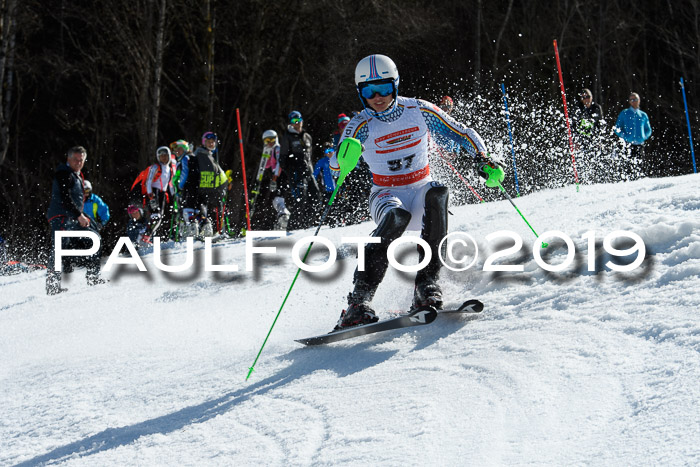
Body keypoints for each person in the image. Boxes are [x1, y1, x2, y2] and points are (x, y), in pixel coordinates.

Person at [330, 54, 500, 330]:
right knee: (397, 217)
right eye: (368, 91)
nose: (377, 97)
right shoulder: (360, 124)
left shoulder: (418, 110)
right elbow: (336, 164)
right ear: (360, 93)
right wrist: (342, 161)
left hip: (420, 187)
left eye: (383, 88)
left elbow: (460, 132)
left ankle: (426, 285)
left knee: (439, 193)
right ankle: (358, 302)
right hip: (385, 192)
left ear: (395, 85)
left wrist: (484, 158)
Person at [45, 146, 105, 295]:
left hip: (72, 216)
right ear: (68, 159)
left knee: (94, 237)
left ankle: (93, 276)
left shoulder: (75, 174)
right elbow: (66, 198)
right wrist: (79, 215)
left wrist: (84, 216)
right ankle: (53, 285)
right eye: (75, 159)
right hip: (61, 217)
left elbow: (76, 200)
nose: (79, 162)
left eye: (81, 160)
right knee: (59, 247)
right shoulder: (64, 173)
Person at [178, 131, 228, 237]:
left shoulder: (210, 156)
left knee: (202, 210)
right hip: (196, 188)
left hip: (206, 190)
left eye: (212, 142)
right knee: (193, 209)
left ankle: (204, 229)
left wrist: (223, 184)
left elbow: (218, 174)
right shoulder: (199, 155)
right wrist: (181, 186)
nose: (211, 144)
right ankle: (194, 229)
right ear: (203, 142)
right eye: (208, 141)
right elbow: (188, 171)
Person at [278, 111, 321, 229]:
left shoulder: (307, 136)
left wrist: (309, 168)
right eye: (294, 121)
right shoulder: (288, 137)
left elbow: (309, 155)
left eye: (299, 120)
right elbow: (282, 158)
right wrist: (291, 170)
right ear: (291, 123)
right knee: (300, 199)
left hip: (308, 171)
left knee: (316, 197)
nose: (297, 123)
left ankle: (307, 223)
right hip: (296, 172)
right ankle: (293, 226)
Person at [614, 92, 652, 177]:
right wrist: (624, 136)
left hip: (640, 144)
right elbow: (617, 128)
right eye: (631, 99)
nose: (633, 101)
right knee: (628, 167)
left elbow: (648, 130)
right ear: (629, 101)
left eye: (635, 99)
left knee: (640, 166)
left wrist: (643, 137)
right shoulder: (624, 113)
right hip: (628, 144)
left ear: (639, 100)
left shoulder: (643, 115)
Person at [573, 88, 605, 181]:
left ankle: (596, 178)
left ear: (592, 97)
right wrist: (575, 141)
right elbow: (573, 126)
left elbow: (600, 124)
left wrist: (599, 139)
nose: (586, 99)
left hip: (593, 138)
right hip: (581, 138)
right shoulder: (578, 108)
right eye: (583, 97)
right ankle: (581, 179)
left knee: (595, 158)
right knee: (581, 160)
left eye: (588, 96)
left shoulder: (596, 108)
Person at [144, 146, 176, 239]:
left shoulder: (170, 169)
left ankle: (150, 236)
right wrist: (151, 196)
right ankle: (146, 235)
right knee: (156, 216)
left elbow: (170, 184)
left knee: (161, 217)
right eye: (161, 156)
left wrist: (174, 196)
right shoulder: (155, 167)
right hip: (154, 192)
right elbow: (148, 182)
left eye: (165, 156)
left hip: (163, 194)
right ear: (158, 157)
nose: (164, 158)